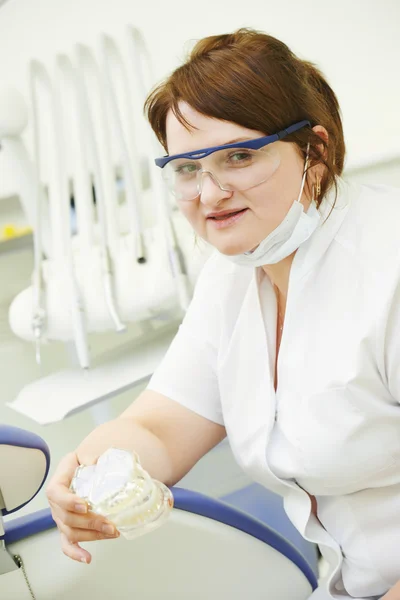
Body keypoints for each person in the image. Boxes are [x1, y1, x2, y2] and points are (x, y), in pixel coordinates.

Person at [46, 28, 400, 599]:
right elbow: (159, 428)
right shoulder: (233, 277)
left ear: (315, 152)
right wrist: (89, 476)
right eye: (187, 168)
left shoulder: (389, 269)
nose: (210, 195)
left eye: (240, 157)